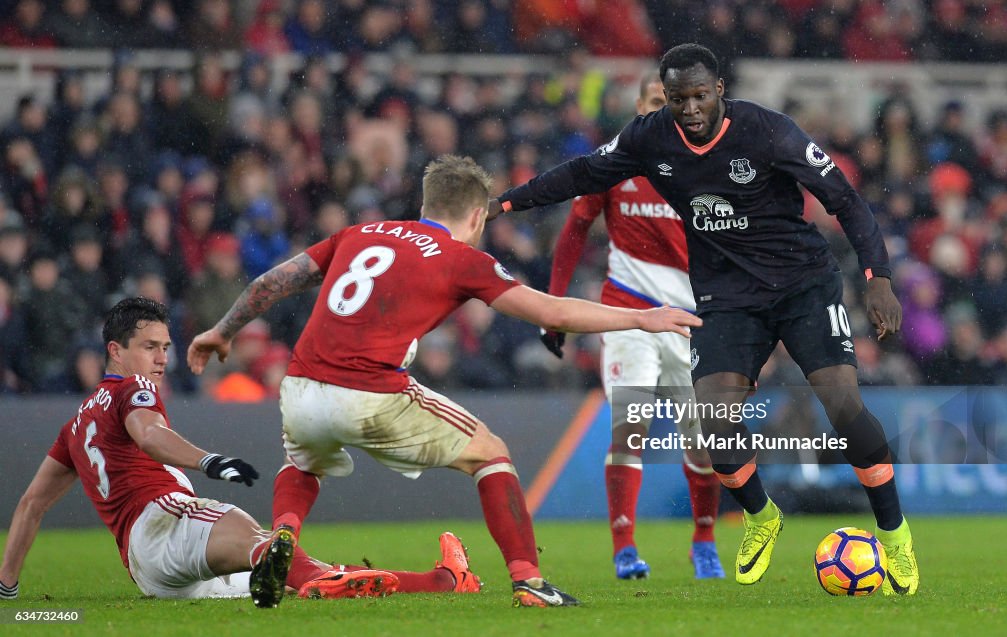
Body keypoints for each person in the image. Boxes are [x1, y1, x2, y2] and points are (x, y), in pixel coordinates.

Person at [488, 44, 919, 595]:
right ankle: (762, 517)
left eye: (698, 96)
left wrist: (877, 277)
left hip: (802, 286)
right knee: (714, 421)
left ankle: (894, 533)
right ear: (665, 98)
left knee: (843, 406)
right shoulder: (650, 137)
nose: (689, 109)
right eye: (677, 99)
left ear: (719, 90)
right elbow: (581, 173)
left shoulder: (768, 131)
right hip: (726, 298)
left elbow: (845, 200)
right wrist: (506, 204)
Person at [187, 155, 702, 608]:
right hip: (369, 392)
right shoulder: (463, 259)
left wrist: (221, 330)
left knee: (303, 461)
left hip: (300, 388)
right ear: (477, 215)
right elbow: (549, 310)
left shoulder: (361, 232)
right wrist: (642, 317)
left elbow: (272, 282)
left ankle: (283, 535)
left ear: (426, 203)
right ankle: (530, 581)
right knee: (490, 453)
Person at [0, 297, 482, 606]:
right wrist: (209, 461)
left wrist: (7, 586)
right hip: (166, 520)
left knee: (295, 576)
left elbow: (31, 505)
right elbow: (148, 434)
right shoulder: (133, 389)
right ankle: (316, 568)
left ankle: (441, 581)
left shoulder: (76, 422)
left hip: (147, 569)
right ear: (116, 351)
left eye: (166, 346)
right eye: (149, 347)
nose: (162, 359)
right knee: (271, 546)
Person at [543, 72, 723, 581]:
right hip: (629, 314)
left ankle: (704, 542)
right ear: (640, 106)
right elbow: (576, 228)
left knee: (702, 437)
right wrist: (555, 305)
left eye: (671, 104)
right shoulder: (613, 161)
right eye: (654, 102)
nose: (662, 112)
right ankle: (624, 547)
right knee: (630, 427)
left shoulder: (702, 164)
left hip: (691, 318)